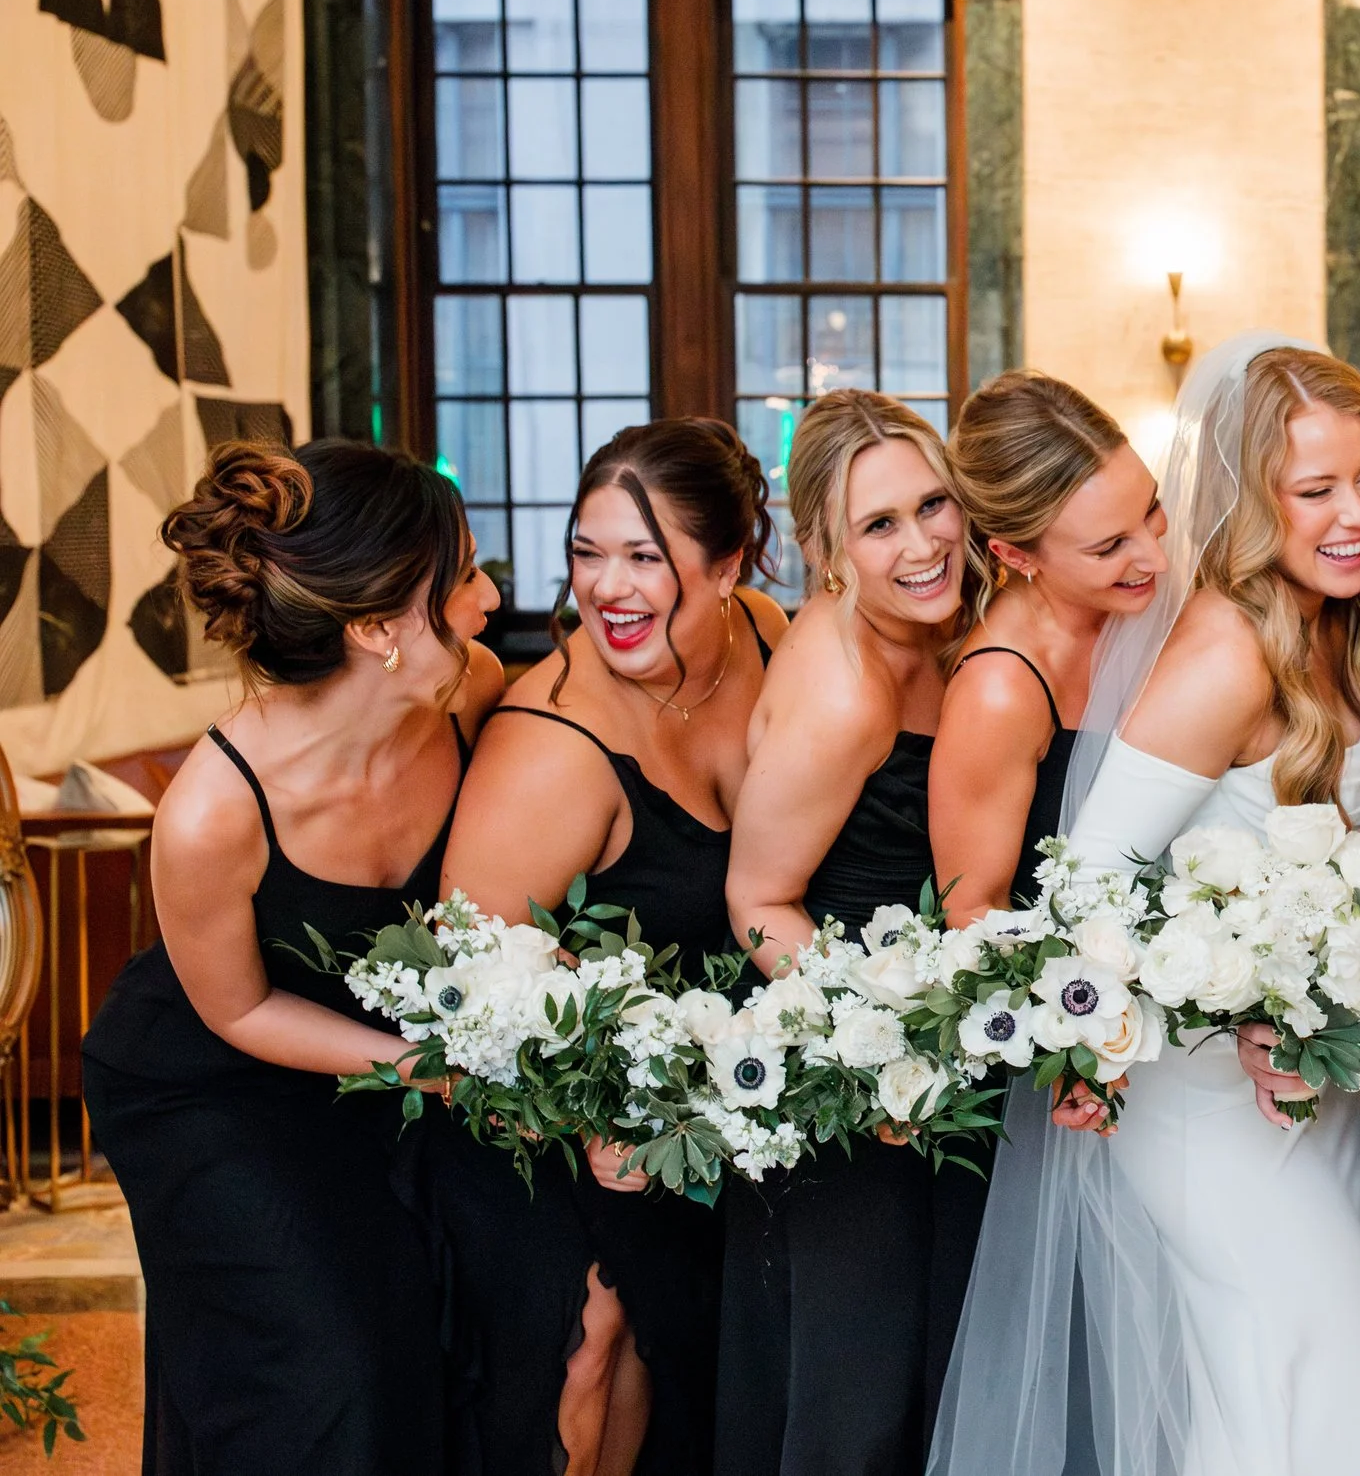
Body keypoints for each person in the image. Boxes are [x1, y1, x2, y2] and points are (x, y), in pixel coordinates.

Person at [929, 335, 1360, 1476]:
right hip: (1206, 1104)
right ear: (1256, 497)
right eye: (1314, 489)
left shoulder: (1336, 621)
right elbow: (1088, 884)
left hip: (1310, 1096)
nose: (1352, 511)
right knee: (1305, 1385)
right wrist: (1235, 1000)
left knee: (1321, 1383)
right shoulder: (1225, 648)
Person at [82, 439, 502, 1476]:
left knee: (444, 1330)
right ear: (375, 627)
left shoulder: (472, 690)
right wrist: (426, 1069)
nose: (491, 598)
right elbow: (238, 1010)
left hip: (380, 1070)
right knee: (327, 1371)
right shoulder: (211, 814)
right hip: (212, 1085)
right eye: (464, 580)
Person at [426, 419, 785, 1476]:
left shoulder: (764, 636)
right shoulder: (549, 745)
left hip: (734, 1103)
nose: (608, 586)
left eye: (644, 555)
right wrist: (598, 1110)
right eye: (588, 552)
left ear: (730, 565)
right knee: (596, 1353)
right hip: (575, 1137)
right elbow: (474, 982)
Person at [716, 390, 986, 1476]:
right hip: (842, 1076)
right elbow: (757, 901)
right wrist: (882, 1044)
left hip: (936, 1055)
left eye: (934, 505)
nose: (921, 542)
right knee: (853, 1392)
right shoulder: (842, 690)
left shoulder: (946, 623)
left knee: (929, 1366)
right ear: (826, 551)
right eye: (879, 525)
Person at [931, 371, 1166, 922]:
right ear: (1017, 557)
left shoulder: (1147, 599)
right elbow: (972, 912)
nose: (1157, 559)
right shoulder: (999, 693)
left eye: (1152, 509)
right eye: (1109, 546)